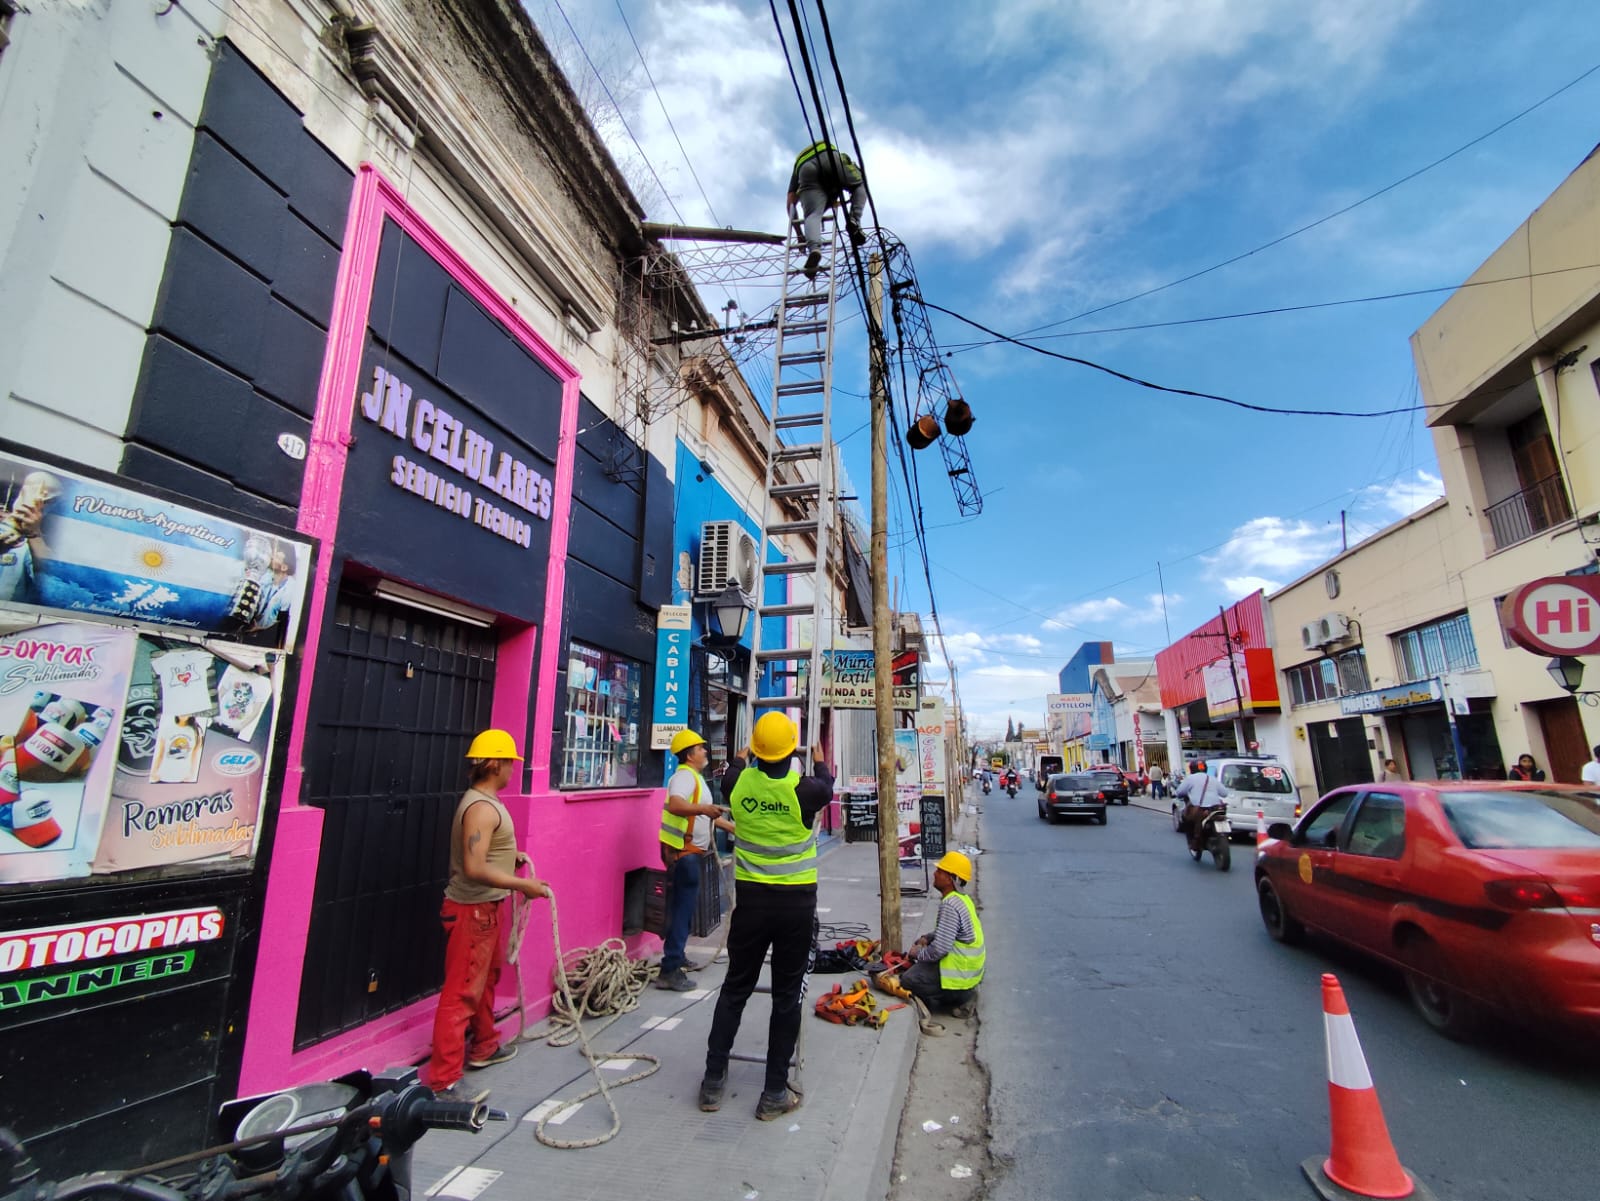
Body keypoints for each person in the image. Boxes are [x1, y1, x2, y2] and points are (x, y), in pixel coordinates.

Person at [700, 712, 832, 1121]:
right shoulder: (806, 791)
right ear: (792, 750)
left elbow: (735, 767)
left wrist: (743, 754)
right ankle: (774, 1091)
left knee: (735, 989)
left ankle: (712, 1082)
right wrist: (819, 755)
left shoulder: (735, 784)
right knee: (786, 997)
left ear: (755, 750)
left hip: (752, 906)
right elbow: (826, 781)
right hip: (794, 908)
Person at [428, 729, 550, 1099]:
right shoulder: (481, 808)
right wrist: (521, 884)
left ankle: (485, 1045)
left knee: (485, 981)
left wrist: (507, 858)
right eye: (510, 762)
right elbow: (474, 866)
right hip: (472, 911)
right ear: (495, 763)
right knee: (462, 992)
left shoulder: (485, 803)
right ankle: (444, 1078)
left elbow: (485, 855)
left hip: (485, 911)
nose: (513, 769)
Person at [657, 728, 735, 991]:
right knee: (681, 911)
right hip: (684, 854)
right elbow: (677, 806)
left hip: (691, 854)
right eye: (700, 748)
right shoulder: (683, 778)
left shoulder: (695, 779)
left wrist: (730, 827)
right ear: (690, 754)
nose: (704, 751)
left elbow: (704, 815)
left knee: (685, 910)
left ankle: (676, 957)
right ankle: (670, 969)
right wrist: (704, 809)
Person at [901, 851, 984, 1018]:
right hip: (970, 974)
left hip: (960, 979)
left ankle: (957, 998)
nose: (935, 874)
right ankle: (960, 995)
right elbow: (953, 932)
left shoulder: (950, 905)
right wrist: (928, 937)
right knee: (920, 967)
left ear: (951, 879)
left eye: (940, 872)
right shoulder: (962, 899)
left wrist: (917, 953)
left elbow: (939, 950)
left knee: (908, 979)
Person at [786, 140, 867, 280]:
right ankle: (854, 221)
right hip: (830, 156)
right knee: (860, 185)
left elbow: (790, 203)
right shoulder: (844, 159)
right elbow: (856, 176)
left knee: (812, 215)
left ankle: (814, 249)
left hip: (804, 167)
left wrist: (799, 234)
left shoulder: (796, 172)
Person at [1174, 760, 1228, 855]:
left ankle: (1194, 841)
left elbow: (1179, 792)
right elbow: (1224, 793)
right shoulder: (1212, 778)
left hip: (1200, 811)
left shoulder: (1190, 779)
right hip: (1215, 809)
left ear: (1192, 769)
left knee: (1186, 819)